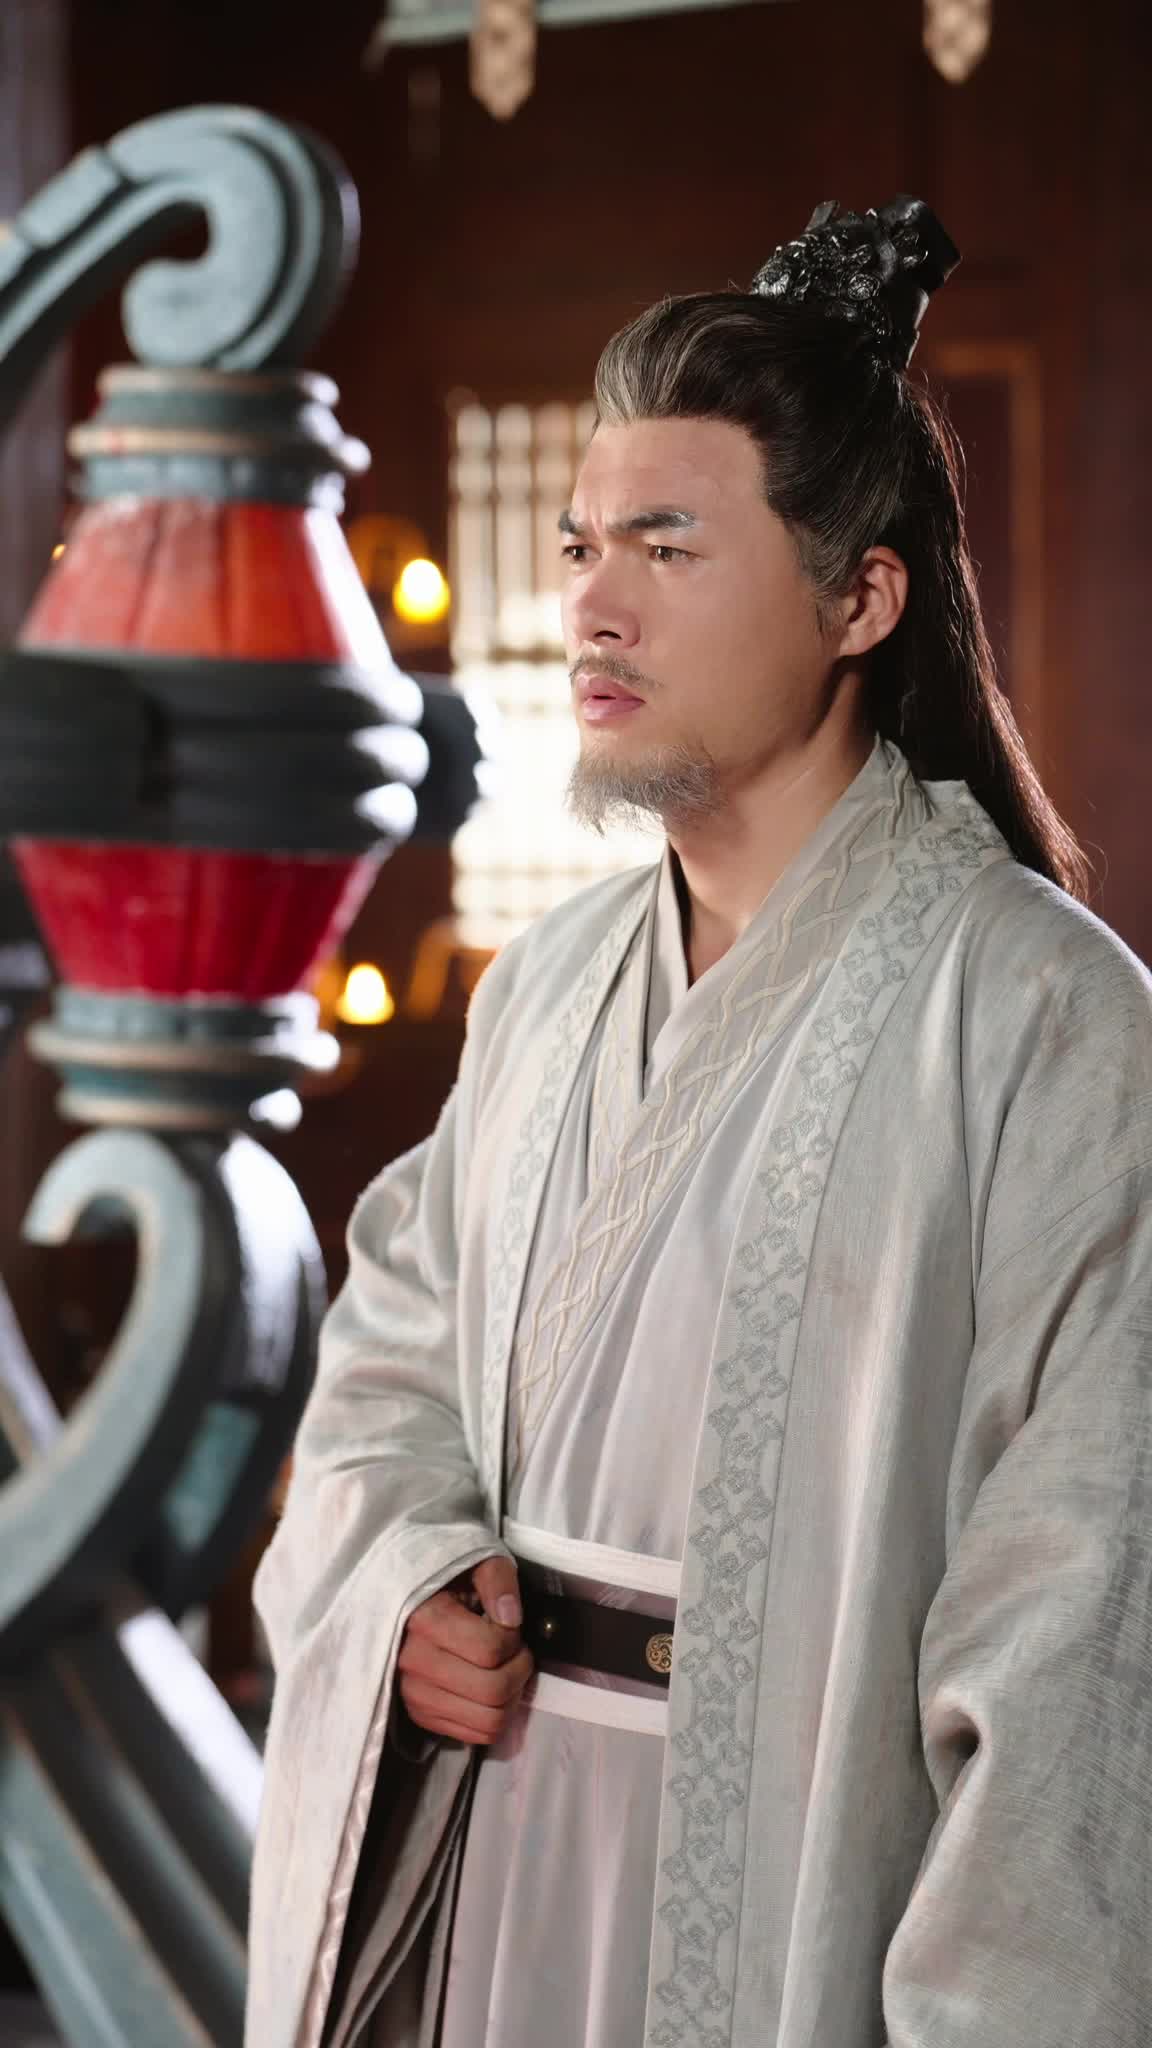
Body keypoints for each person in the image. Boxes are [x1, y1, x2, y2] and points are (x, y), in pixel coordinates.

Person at [245, 197, 1152, 2048]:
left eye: (669, 546)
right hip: (500, 1841)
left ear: (860, 599)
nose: (595, 602)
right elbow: (391, 1358)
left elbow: (1082, 1618)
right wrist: (406, 1578)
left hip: (812, 1883)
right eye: (585, 545)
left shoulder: (1044, 1015)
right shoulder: (549, 984)